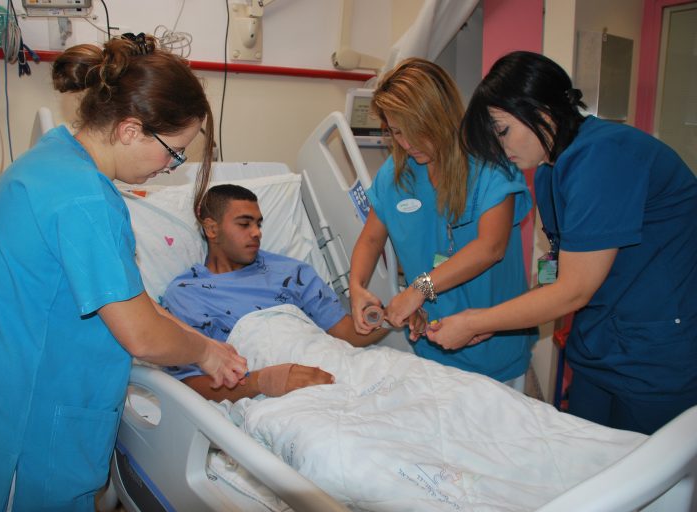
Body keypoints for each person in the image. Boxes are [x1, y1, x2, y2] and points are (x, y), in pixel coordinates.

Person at [0, 34, 248, 512]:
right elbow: (141, 335)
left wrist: (200, 339)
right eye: (174, 151)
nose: (172, 167)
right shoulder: (86, 200)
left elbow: (129, 299)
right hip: (20, 442)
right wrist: (204, 352)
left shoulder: (50, 163)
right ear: (130, 130)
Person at [429, 50, 697, 435]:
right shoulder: (550, 171)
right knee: (587, 456)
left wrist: (475, 321)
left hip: (656, 351)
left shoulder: (604, 155)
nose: (502, 148)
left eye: (503, 131)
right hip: (601, 344)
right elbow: (555, 267)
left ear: (541, 109)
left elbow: (574, 290)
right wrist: (500, 319)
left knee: (646, 467)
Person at [349, 57, 536, 387]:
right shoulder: (396, 175)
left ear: (440, 116)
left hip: (494, 348)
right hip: (432, 349)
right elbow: (371, 239)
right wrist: (356, 287)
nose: (407, 144)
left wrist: (418, 290)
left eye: (415, 131)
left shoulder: (491, 164)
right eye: (396, 132)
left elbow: (491, 247)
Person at [162, 184, 389, 401]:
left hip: (341, 368)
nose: (256, 233)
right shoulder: (186, 295)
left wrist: (390, 316)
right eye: (244, 224)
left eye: (258, 224)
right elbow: (190, 385)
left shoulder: (293, 272)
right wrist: (263, 382)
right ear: (212, 229)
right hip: (270, 395)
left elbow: (345, 333)